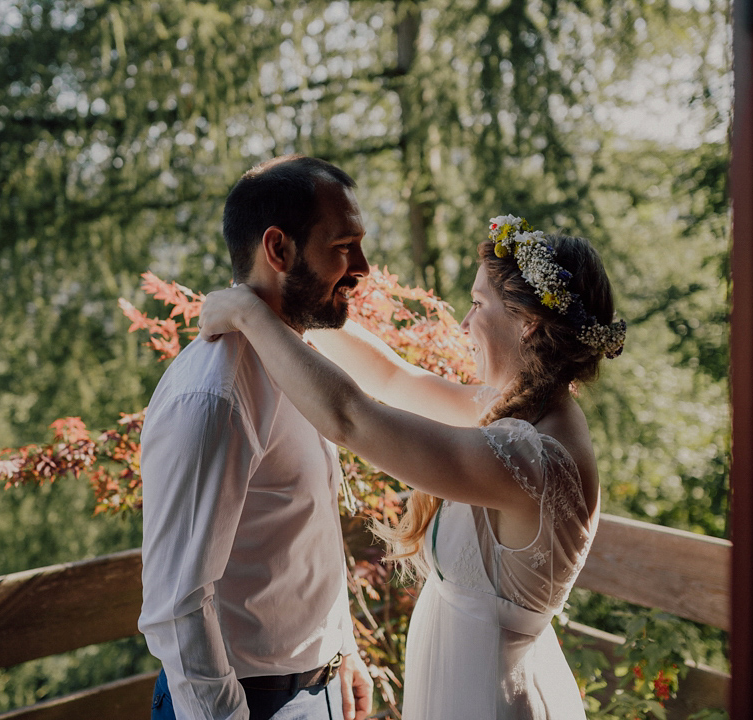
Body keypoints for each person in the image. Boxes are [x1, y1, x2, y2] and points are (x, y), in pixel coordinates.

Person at [197, 214, 626, 719]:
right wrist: (294, 300)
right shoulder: (525, 412)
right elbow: (393, 378)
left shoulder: (534, 458)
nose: (465, 324)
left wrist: (252, 316)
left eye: (477, 304)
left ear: (528, 321)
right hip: (469, 684)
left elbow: (350, 419)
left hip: (491, 701)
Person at [138, 155, 374, 720]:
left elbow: (304, 532)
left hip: (317, 690)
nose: (363, 267)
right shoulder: (213, 396)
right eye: (344, 245)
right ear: (279, 249)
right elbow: (176, 605)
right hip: (240, 700)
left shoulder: (300, 365)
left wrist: (341, 647)